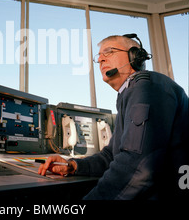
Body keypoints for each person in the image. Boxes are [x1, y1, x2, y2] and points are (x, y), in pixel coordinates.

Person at [38, 34, 189, 200]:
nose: (101, 60)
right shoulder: (128, 92)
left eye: (109, 52)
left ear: (135, 56)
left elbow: (137, 167)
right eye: (99, 56)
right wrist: (73, 165)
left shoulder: (147, 86)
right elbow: (110, 156)